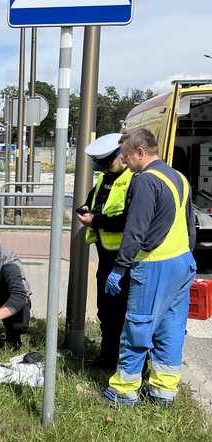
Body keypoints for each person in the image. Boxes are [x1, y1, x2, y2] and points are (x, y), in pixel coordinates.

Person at [103, 128, 196, 407]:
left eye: (126, 156)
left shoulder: (144, 180)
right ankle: (163, 391)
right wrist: (186, 260)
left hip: (155, 264)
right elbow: (191, 227)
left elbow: (135, 230)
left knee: (138, 326)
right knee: (171, 328)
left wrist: (119, 268)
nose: (124, 162)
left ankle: (124, 390)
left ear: (140, 153)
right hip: (182, 262)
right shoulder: (178, 177)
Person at [77, 133, 134, 369]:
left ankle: (125, 362)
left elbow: (129, 221)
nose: (104, 169)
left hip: (126, 259)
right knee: (106, 310)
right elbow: (92, 202)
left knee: (123, 313)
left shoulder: (134, 180)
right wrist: (86, 211)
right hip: (105, 257)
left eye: (107, 163)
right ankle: (107, 356)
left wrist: (96, 221)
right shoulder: (104, 179)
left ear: (122, 156)